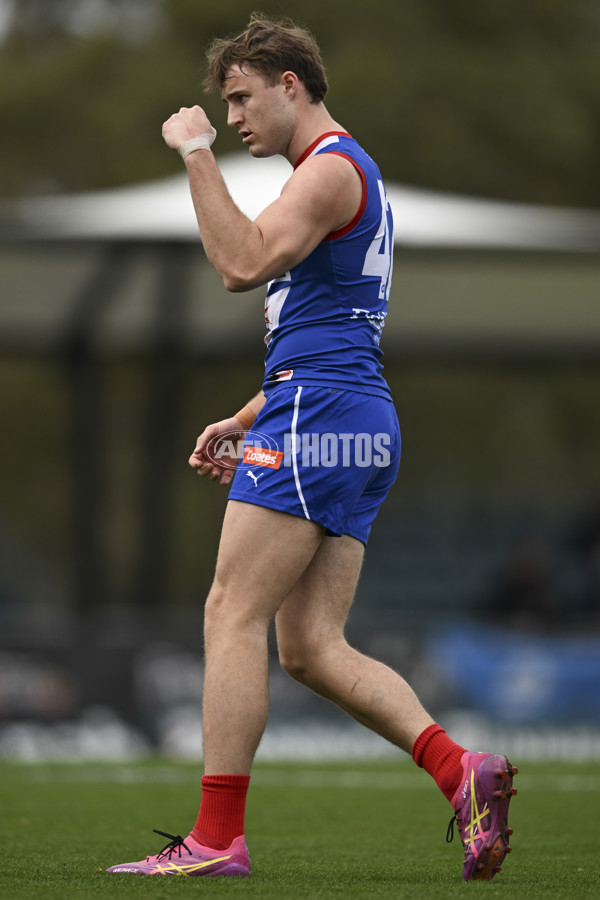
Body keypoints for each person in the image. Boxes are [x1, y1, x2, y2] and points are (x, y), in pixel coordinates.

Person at [107, 13, 516, 882]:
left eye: (244, 99)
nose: (236, 117)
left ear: (292, 85)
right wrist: (254, 412)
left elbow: (239, 264)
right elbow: (332, 325)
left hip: (323, 416)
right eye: (224, 106)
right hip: (348, 414)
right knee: (309, 647)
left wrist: (193, 152)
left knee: (230, 612)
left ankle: (217, 838)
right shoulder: (339, 175)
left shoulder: (328, 171)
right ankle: (462, 771)